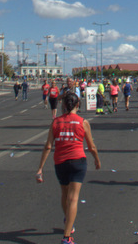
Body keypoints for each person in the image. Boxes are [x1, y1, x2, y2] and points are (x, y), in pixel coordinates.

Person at [36, 92, 101, 244]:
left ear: (64, 105)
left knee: (65, 194)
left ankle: (68, 223)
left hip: (60, 162)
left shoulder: (56, 122)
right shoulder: (83, 122)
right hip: (78, 161)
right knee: (73, 198)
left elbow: (48, 146)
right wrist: (97, 160)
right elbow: (91, 146)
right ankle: (67, 237)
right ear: (78, 105)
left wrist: (40, 168)